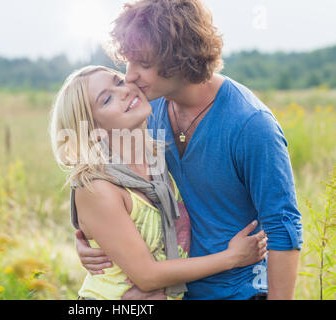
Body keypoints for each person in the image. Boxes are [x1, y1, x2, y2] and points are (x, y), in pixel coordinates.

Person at [75, 0, 303, 300]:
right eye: (128, 61)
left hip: (238, 291)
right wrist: (88, 240)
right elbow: (107, 183)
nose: (130, 76)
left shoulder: (251, 125)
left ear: (180, 59)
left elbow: (283, 228)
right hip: (171, 291)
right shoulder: (146, 109)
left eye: (143, 64)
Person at [50, 65, 267, 300]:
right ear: (95, 130)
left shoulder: (160, 158)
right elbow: (147, 276)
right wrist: (232, 258)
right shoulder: (98, 187)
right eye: (106, 99)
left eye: (119, 81)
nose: (123, 91)